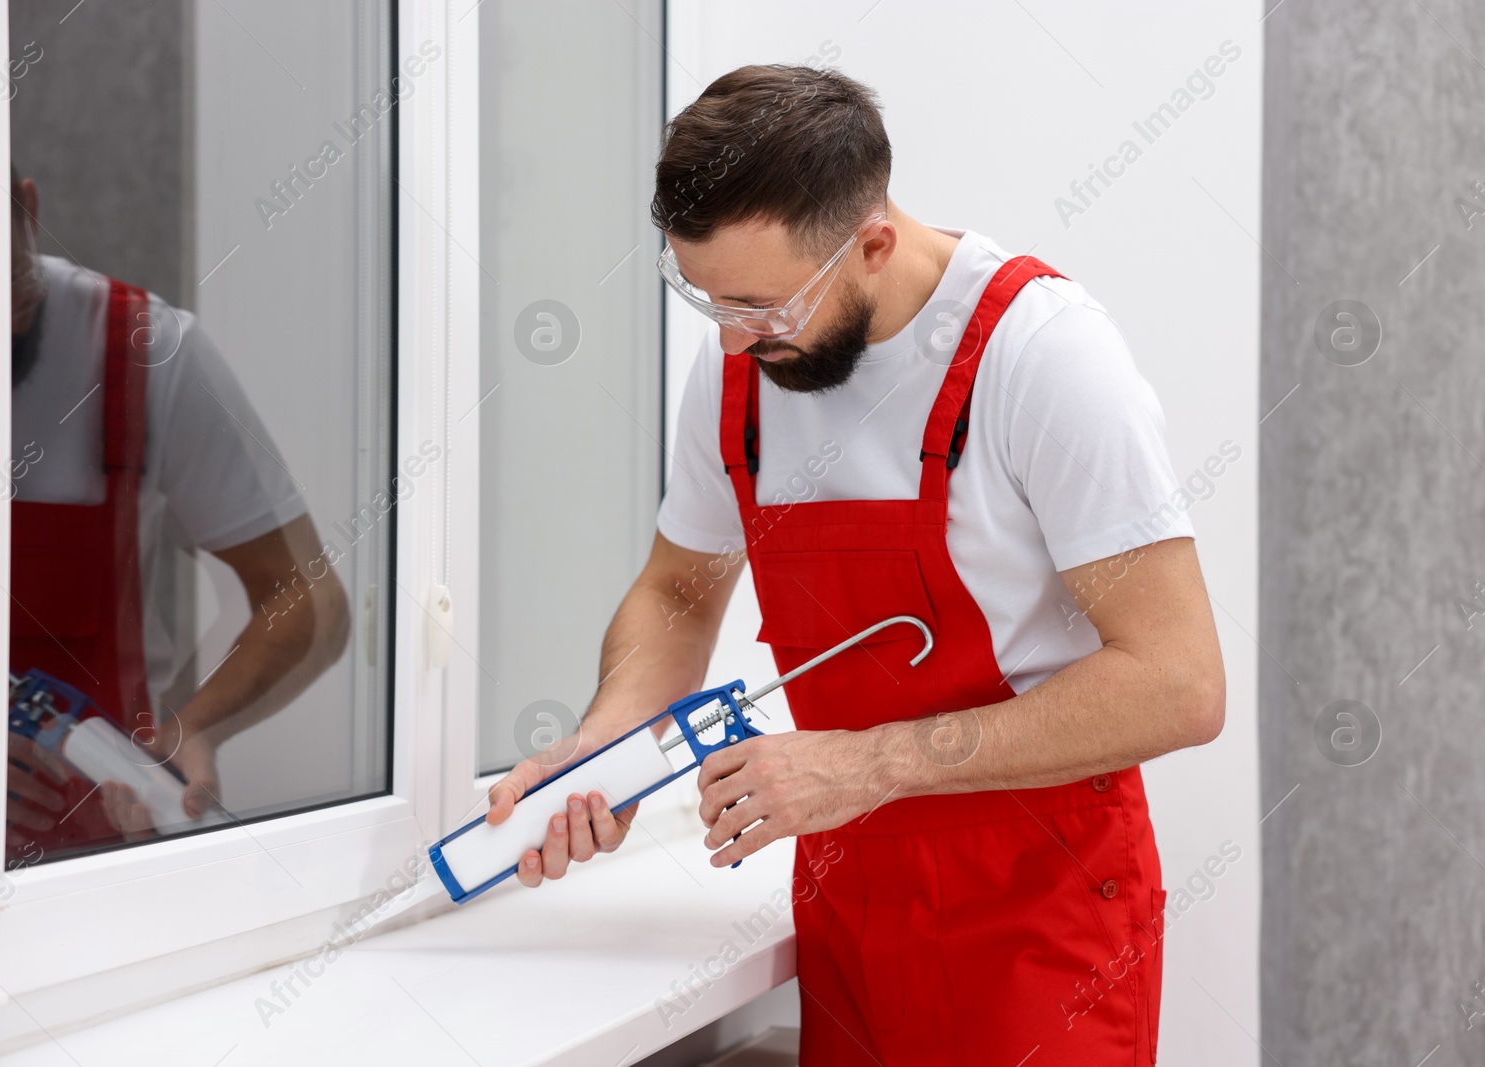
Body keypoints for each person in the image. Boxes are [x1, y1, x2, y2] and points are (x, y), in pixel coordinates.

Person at [487, 66, 1225, 1064]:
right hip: (850, 902)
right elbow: (678, 588)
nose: (736, 340)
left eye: (762, 307)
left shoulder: (1040, 358)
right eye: (705, 299)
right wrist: (607, 743)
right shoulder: (742, 367)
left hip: (1040, 915)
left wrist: (872, 761)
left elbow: (1178, 685)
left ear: (872, 241)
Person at [3, 167, 350, 867]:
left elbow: (308, 598)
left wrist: (191, 727)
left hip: (100, 859)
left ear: (27, 209)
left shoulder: (144, 350)